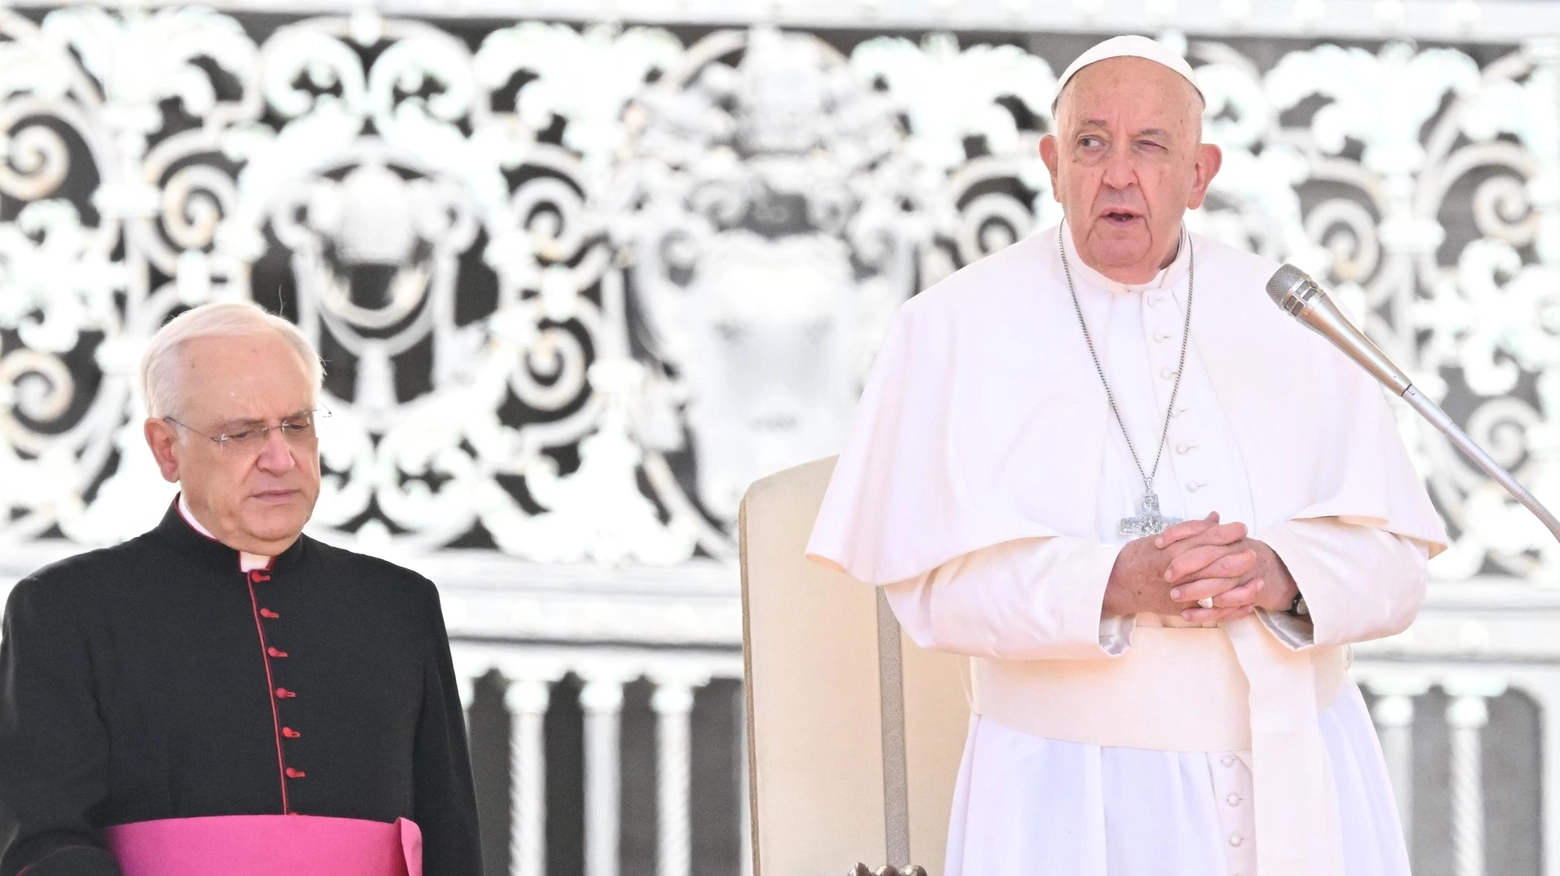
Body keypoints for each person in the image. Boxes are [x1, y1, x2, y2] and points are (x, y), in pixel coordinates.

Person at [806, 35, 1447, 876]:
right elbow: (928, 593)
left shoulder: (1293, 317)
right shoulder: (952, 326)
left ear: (1199, 173)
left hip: (1303, 779)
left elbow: (1398, 572)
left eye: (1151, 146)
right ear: (1051, 161)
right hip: (1065, 797)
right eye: (1092, 143)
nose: (1118, 174)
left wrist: (1281, 574)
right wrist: (1109, 585)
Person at [0, 302, 482, 876]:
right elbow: (43, 842)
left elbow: (450, 840)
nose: (281, 459)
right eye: (241, 433)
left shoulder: (399, 605)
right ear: (166, 449)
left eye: (297, 426)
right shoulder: (65, 609)